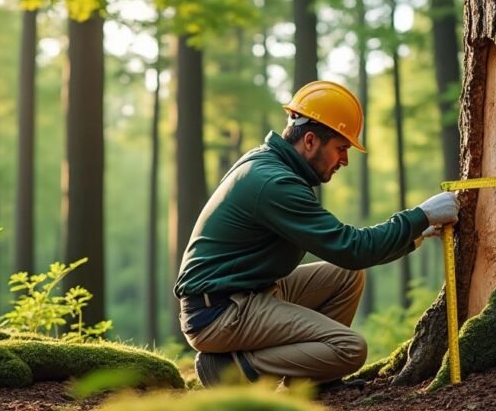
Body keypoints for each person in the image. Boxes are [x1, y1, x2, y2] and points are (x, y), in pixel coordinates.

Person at [174, 80, 459, 388]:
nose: (345, 160)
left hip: (248, 291)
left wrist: (416, 233)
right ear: (310, 141)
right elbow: (352, 248)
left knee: (347, 276)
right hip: (219, 312)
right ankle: (231, 370)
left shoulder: (270, 164)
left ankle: (312, 381)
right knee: (350, 348)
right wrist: (421, 215)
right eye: (341, 148)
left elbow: (349, 258)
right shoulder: (274, 183)